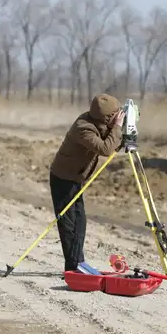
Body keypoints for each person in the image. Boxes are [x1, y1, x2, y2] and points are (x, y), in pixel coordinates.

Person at [49, 94, 126, 272]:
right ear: (107, 117)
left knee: (80, 221)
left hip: (75, 178)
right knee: (69, 224)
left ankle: (78, 263)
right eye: (116, 114)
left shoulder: (97, 122)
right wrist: (117, 127)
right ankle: (72, 267)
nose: (119, 116)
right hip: (63, 178)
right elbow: (105, 148)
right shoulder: (83, 127)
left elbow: (110, 141)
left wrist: (120, 131)